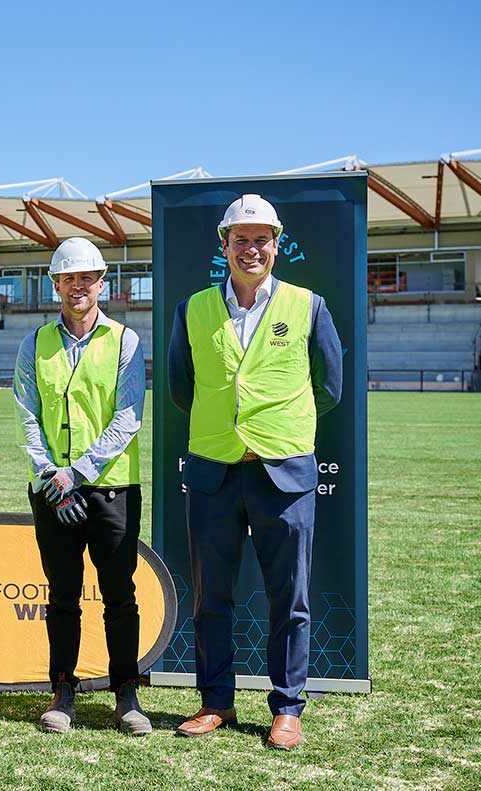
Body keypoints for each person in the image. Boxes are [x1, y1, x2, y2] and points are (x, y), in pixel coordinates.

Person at [167, 194, 342, 751]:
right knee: (210, 597)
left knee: (288, 598)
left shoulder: (308, 305)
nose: (251, 248)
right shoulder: (193, 308)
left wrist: (281, 426)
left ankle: (287, 707)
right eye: (239, 239)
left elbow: (330, 387)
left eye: (261, 238)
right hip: (215, 472)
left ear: (276, 245)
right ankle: (215, 701)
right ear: (224, 246)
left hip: (283, 474)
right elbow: (179, 387)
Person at [12, 238, 150, 736]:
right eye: (69, 278)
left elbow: (128, 417)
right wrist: (52, 474)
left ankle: (126, 693)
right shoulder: (34, 342)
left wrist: (79, 472)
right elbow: (27, 413)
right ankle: (62, 691)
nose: (78, 286)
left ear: (101, 284)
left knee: (120, 595)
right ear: (56, 285)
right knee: (62, 594)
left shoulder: (125, 341)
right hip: (52, 489)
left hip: (109, 490)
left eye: (87, 278)